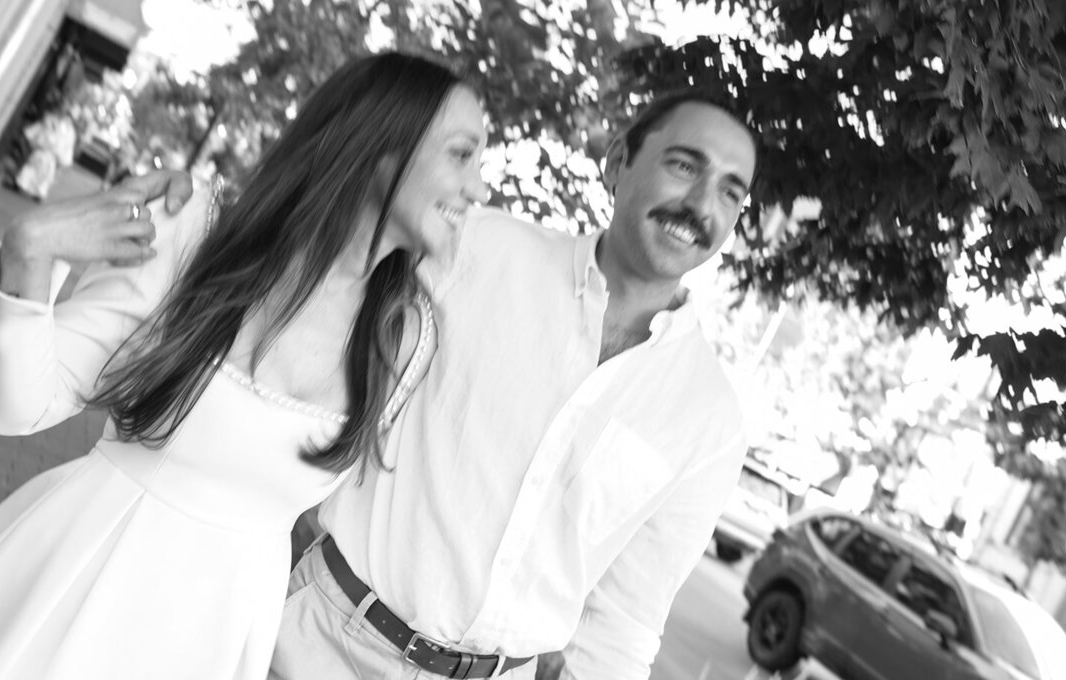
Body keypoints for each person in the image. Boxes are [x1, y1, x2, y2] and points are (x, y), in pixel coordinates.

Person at [0, 51, 489, 680]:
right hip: (75, 592)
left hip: (212, 644)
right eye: (461, 154)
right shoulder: (196, 227)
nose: (479, 188)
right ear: (384, 141)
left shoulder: (403, 341)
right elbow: (16, 406)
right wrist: (30, 250)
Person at [270, 91, 760, 680]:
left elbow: (626, 620)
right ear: (618, 163)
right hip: (322, 647)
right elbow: (304, 276)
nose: (702, 204)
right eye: (684, 165)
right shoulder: (473, 249)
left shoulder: (710, 418)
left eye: (731, 190)